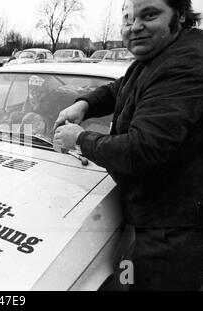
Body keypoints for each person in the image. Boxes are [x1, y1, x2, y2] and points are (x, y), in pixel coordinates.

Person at [53, 0, 203, 290]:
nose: (135, 27)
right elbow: (121, 87)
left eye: (149, 15)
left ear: (181, 15)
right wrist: (84, 105)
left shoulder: (186, 65)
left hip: (172, 229)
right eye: (128, 18)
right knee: (130, 280)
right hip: (156, 214)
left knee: (143, 284)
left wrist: (79, 139)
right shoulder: (161, 54)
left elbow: (141, 149)